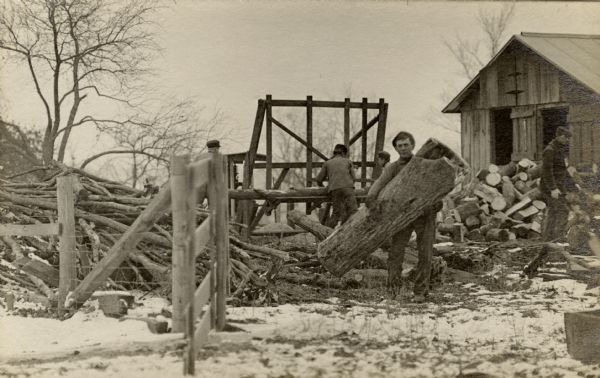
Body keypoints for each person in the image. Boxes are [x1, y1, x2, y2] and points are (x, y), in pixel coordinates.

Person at [365, 131, 440, 303]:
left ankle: (420, 292)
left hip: (425, 214)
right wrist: (371, 198)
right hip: (402, 216)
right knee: (395, 254)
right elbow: (379, 182)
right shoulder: (392, 167)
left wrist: (438, 202)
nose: (403, 148)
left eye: (406, 144)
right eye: (400, 146)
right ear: (396, 148)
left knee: (425, 254)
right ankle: (392, 292)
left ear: (413, 145)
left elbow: (436, 183)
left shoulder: (423, 163)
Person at [523, 126, 578, 278]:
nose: (567, 140)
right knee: (562, 210)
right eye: (566, 138)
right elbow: (546, 172)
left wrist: (575, 186)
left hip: (558, 188)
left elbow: (563, 171)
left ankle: (549, 239)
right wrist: (553, 188)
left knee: (555, 213)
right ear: (559, 136)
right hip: (549, 189)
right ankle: (556, 238)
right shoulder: (550, 150)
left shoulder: (560, 149)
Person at [315, 144, 358, 226]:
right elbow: (354, 178)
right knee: (353, 212)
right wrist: (348, 186)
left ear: (334, 153)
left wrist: (324, 188)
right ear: (343, 153)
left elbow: (318, 179)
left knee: (336, 214)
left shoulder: (327, 163)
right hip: (348, 189)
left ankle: (327, 233)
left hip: (335, 190)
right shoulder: (348, 161)